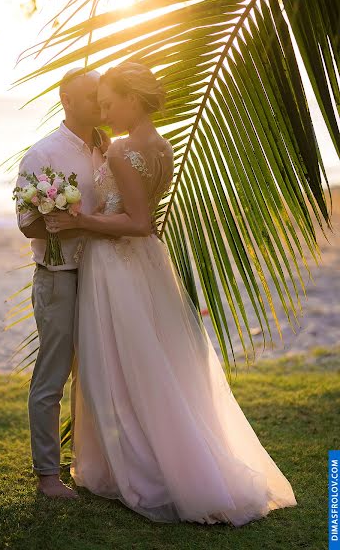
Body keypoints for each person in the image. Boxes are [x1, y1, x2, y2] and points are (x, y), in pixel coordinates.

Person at [43, 61, 298, 525]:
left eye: (108, 104)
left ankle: (142, 468)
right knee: (159, 363)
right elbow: (146, 217)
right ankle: (176, 460)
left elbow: (137, 223)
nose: (103, 114)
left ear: (132, 100)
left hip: (116, 264)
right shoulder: (162, 146)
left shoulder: (121, 150)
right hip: (147, 265)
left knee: (123, 366)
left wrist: (79, 220)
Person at [15, 68, 114, 499]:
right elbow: (27, 227)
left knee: (100, 374)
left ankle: (95, 465)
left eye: (101, 94)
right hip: (59, 278)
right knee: (52, 377)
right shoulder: (43, 155)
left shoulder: (106, 149)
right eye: (89, 95)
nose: (98, 101)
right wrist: (66, 225)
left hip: (105, 275)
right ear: (66, 100)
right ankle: (47, 477)